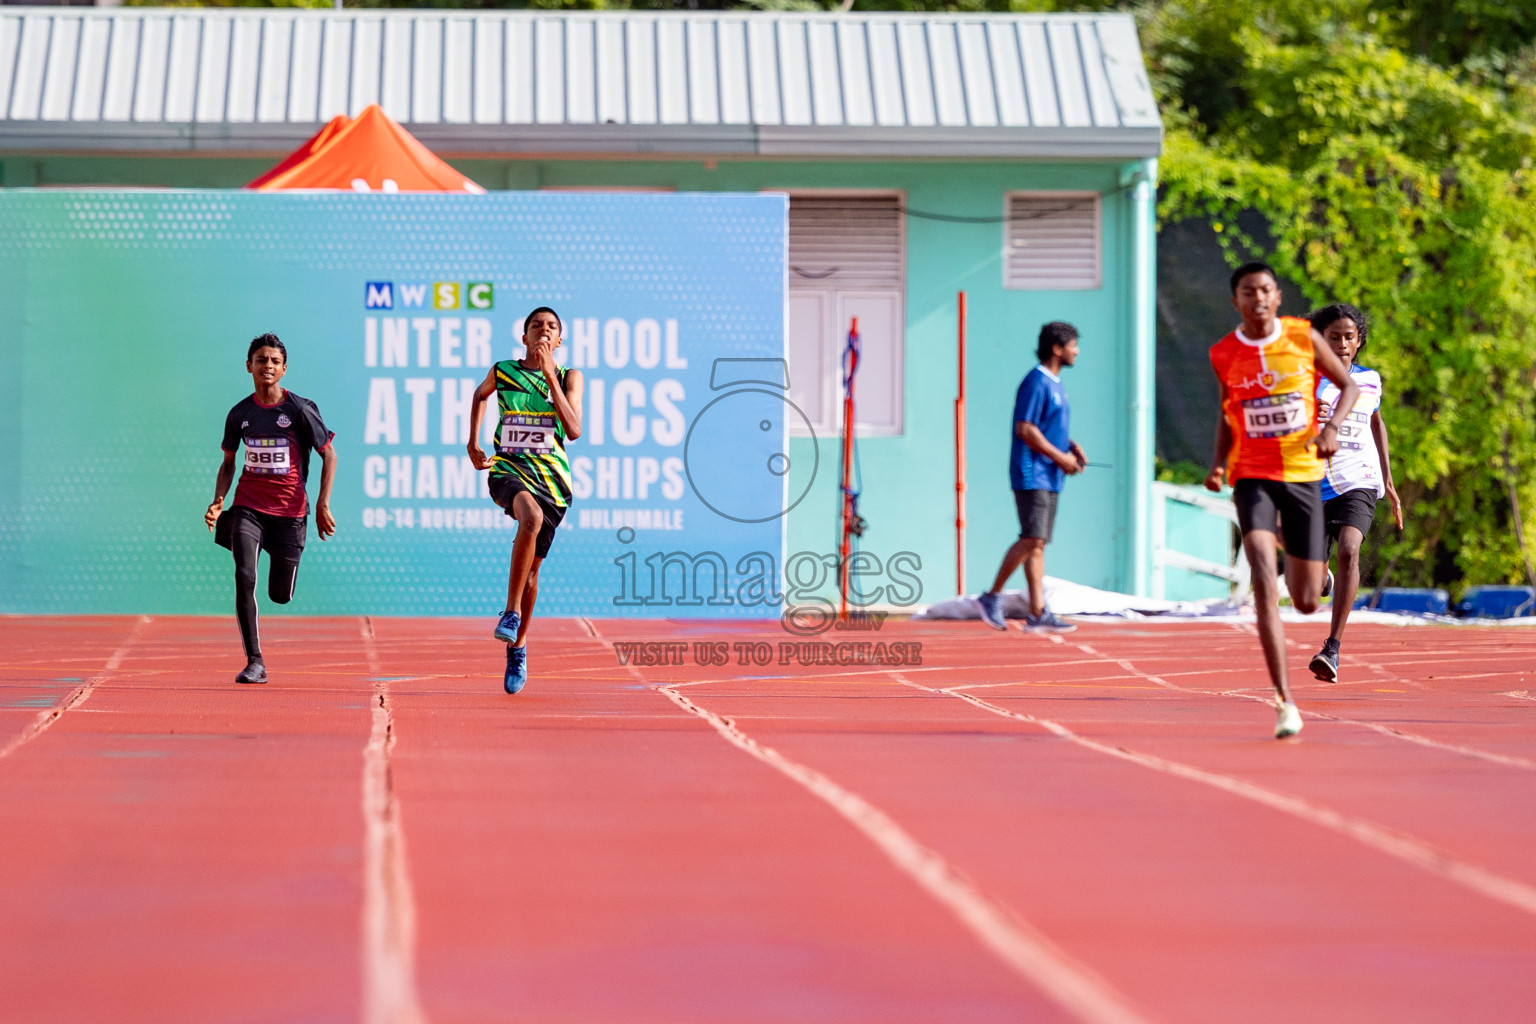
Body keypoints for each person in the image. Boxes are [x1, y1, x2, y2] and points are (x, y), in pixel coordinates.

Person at [1205, 264, 1359, 738]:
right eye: (1248, 292)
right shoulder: (1224, 353)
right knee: (1261, 576)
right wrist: (1217, 463)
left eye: (1266, 290)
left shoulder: (1302, 336)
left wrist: (1330, 429)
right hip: (1251, 473)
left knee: (1308, 601)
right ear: (1236, 302)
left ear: (1277, 296)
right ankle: (1284, 702)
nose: (1258, 298)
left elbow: (1349, 386)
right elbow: (1228, 414)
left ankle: (1316, 573)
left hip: (1302, 473)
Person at [205, 334, 336, 685]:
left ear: (284, 369)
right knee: (244, 574)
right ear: (249, 366)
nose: (267, 366)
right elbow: (229, 463)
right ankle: (255, 661)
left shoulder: (299, 410)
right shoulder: (240, 414)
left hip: (291, 514)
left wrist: (322, 503)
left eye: (274, 361)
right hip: (249, 507)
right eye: (261, 360)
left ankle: (283, 571)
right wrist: (219, 500)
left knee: (280, 595)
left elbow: (329, 455)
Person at [467, 307, 584, 694]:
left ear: (560, 339)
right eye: (537, 326)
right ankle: (511, 612)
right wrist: (473, 442)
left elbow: (574, 429)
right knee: (528, 518)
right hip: (508, 469)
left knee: (533, 574)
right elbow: (479, 395)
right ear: (525, 337)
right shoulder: (504, 371)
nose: (544, 331)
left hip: (552, 482)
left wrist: (550, 373)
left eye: (552, 327)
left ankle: (518, 646)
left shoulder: (569, 377)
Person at [1306, 304, 1403, 682]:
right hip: (1313, 483)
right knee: (1309, 589)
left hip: (1359, 479)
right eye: (1334, 337)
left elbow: (1377, 422)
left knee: (1350, 548)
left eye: (1349, 337)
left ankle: (1332, 648)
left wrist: (1389, 481)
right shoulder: (1305, 380)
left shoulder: (1371, 380)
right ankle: (1321, 576)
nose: (1343, 343)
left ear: (1359, 341)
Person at [977, 321, 1087, 634]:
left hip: (1050, 474)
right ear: (1057, 348)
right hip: (1032, 472)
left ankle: (1037, 612)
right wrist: (1060, 456)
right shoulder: (1036, 381)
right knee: (1032, 537)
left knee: (1038, 545)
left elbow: (1047, 427)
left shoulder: (1057, 383)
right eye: (1073, 345)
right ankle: (991, 595)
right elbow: (1025, 428)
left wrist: (1070, 447)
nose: (1077, 352)